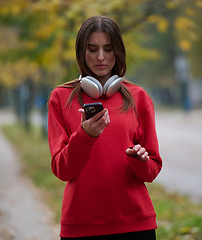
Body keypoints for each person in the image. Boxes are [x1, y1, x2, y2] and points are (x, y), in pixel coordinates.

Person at [47, 16, 162, 239]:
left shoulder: (139, 98)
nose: (101, 57)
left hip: (136, 224)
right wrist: (86, 136)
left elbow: (152, 170)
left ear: (118, 51)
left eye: (108, 49)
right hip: (81, 227)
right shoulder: (60, 98)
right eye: (93, 49)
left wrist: (140, 161)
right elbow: (62, 170)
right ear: (82, 52)